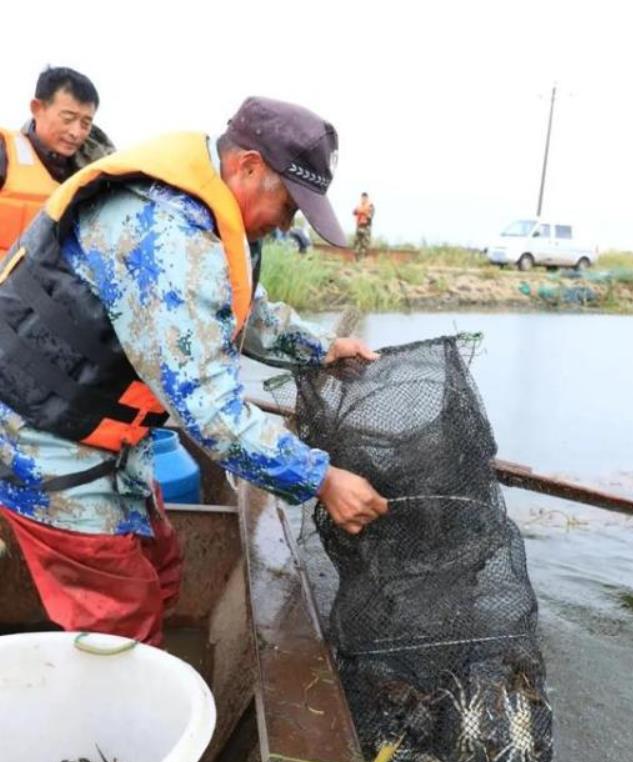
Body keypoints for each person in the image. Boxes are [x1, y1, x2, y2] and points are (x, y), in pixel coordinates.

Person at [0, 96, 388, 646]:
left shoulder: (209, 214)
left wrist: (323, 347)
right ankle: (114, 728)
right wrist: (321, 479)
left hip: (104, 437)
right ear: (248, 166)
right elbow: (211, 410)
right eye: (289, 205)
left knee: (162, 569)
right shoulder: (165, 234)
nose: (286, 224)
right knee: (120, 620)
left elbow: (236, 306)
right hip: (39, 443)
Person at [0, 65, 114, 258]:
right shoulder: (5, 150)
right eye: (68, 119)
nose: (76, 132)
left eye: (86, 123)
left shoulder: (95, 177)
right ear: (37, 108)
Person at [353, 191, 375, 260]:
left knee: (365, 243)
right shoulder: (359, 205)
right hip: (359, 226)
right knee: (357, 242)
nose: (363, 199)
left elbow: (370, 216)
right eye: (362, 197)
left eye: (365, 198)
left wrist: (363, 212)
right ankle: (356, 258)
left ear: (367, 198)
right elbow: (354, 212)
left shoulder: (370, 205)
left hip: (366, 226)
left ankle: (363, 258)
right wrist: (359, 211)